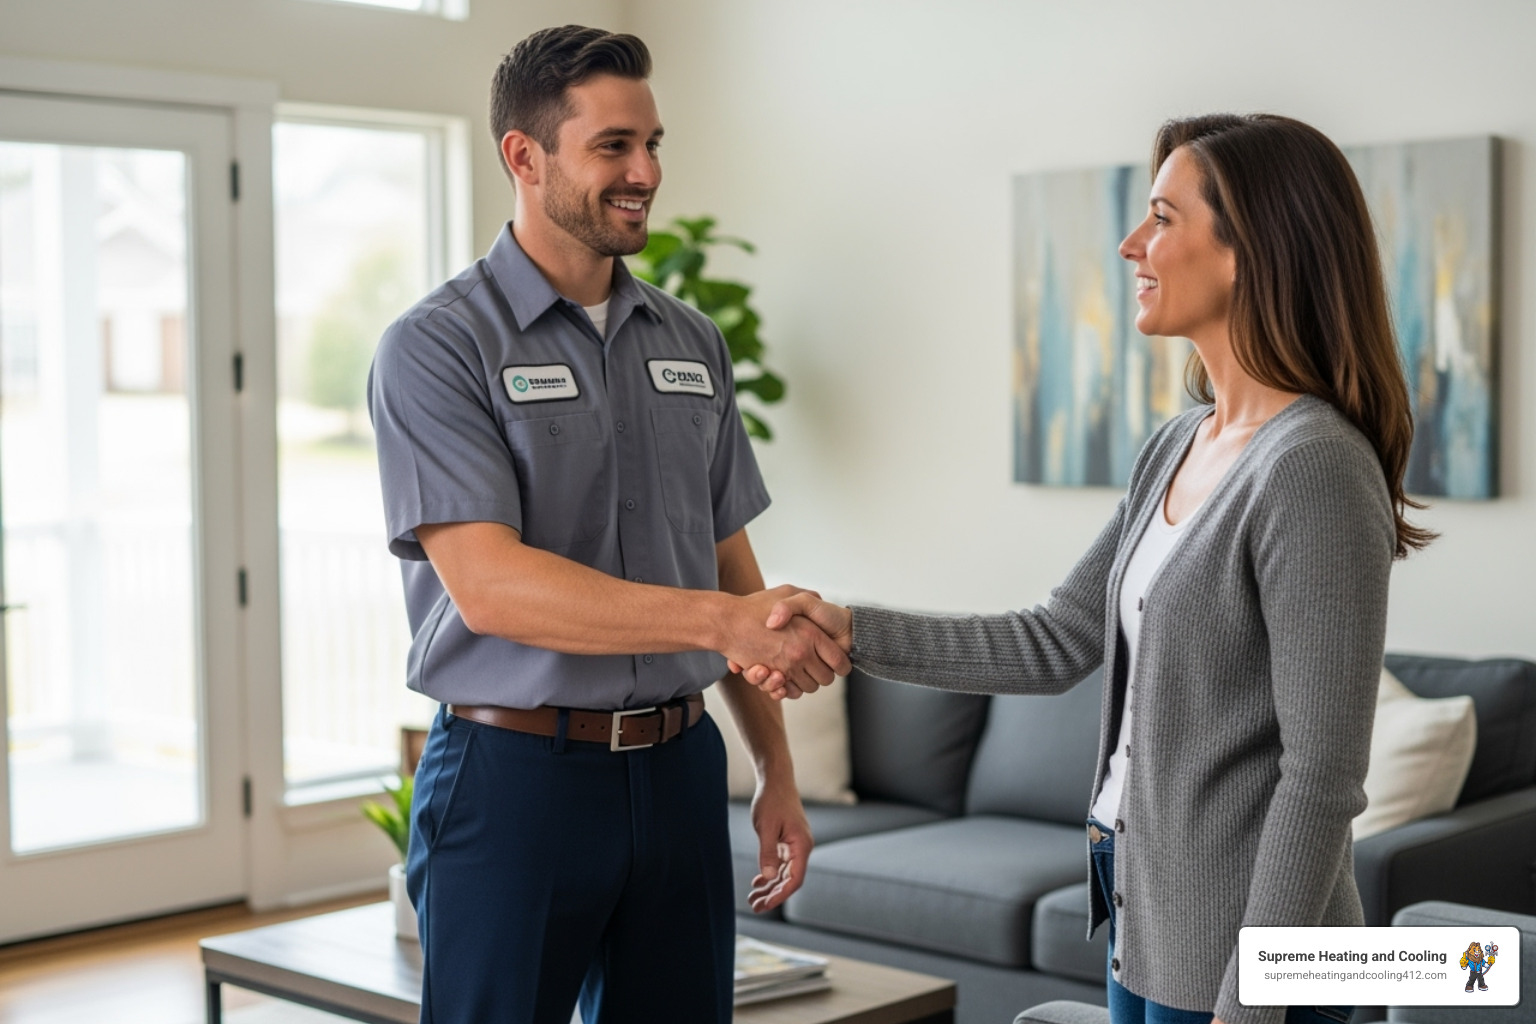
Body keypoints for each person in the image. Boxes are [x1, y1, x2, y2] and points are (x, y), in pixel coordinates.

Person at [740, 114, 1433, 1024]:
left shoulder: (1310, 464)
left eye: (1161, 218)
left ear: (1247, 251)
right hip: (1138, 904)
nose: (1130, 243)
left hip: (1245, 957)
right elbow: (1056, 639)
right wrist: (854, 629)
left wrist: (1251, 1007)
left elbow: (1321, 777)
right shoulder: (1181, 443)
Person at [367, 25, 850, 1024]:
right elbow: (492, 587)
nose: (645, 173)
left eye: (654, 144)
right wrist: (721, 625)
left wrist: (778, 771)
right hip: (514, 781)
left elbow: (730, 567)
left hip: (678, 776)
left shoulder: (691, 342)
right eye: (614, 147)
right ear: (524, 155)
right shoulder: (437, 347)